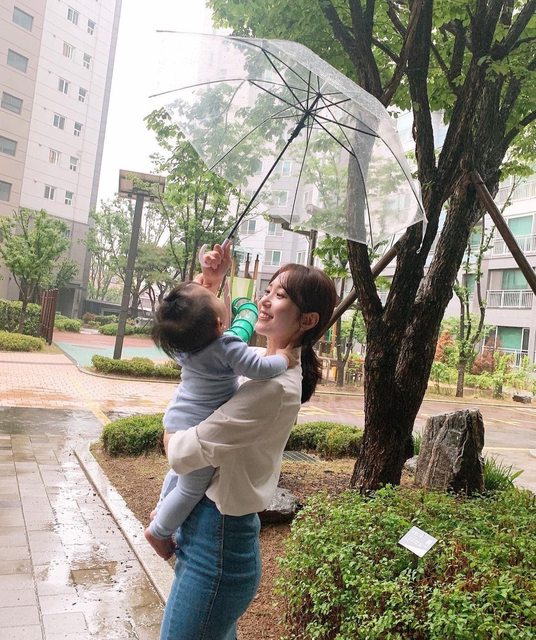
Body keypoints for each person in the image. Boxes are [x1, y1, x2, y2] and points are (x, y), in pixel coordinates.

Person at [159, 243, 337, 640]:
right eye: (268, 289)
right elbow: (199, 345)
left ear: (308, 319)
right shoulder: (259, 364)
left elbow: (182, 454)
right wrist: (212, 281)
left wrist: (169, 431)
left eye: (280, 295)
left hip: (217, 544)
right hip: (210, 534)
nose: (265, 300)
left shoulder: (273, 386)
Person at [145, 280, 296, 560]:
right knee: (190, 488)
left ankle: (161, 507)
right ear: (217, 324)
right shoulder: (226, 346)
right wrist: (285, 359)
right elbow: (260, 368)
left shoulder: (186, 347)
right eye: (214, 297)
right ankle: (159, 530)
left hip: (178, 415)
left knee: (177, 473)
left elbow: (206, 321)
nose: (218, 296)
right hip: (194, 425)